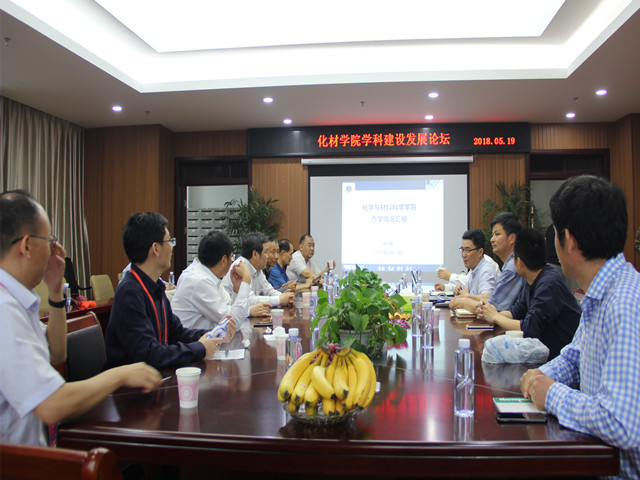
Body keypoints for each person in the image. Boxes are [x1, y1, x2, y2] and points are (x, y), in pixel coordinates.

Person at [0, 191, 162, 447]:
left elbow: (56, 354)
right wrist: (119, 375)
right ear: (27, 245)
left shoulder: (17, 300)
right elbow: (52, 405)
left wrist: (55, 292)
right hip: (21, 463)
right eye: (49, 241)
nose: (54, 249)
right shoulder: (4, 309)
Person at [520, 176, 640, 479]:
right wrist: (540, 376)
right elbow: (575, 359)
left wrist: (552, 394)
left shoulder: (624, 304)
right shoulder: (601, 292)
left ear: (569, 241)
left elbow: (621, 423)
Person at [104, 212, 232, 370]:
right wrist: (200, 348)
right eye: (170, 241)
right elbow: (149, 354)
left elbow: (176, 333)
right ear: (156, 248)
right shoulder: (130, 292)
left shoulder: (155, 287)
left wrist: (213, 334)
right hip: (131, 382)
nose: (172, 247)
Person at [477, 228, 580, 359]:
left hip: (561, 358)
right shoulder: (532, 278)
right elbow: (516, 311)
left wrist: (496, 317)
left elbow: (530, 328)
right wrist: (489, 313)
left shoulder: (549, 283)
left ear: (519, 262)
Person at [171, 230, 251, 330]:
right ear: (224, 260)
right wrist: (246, 280)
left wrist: (236, 289)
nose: (232, 261)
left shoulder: (210, 277)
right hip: (191, 339)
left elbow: (229, 309)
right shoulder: (200, 280)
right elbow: (232, 323)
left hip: (205, 337)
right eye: (232, 256)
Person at [451, 213, 526, 313]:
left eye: (497, 234)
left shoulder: (512, 268)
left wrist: (464, 301)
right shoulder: (508, 266)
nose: (492, 239)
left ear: (512, 238)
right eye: (492, 235)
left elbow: (493, 308)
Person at [222, 232, 293, 313]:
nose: (267, 256)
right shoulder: (239, 267)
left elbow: (268, 291)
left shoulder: (257, 269)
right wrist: (279, 299)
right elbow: (249, 300)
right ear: (255, 254)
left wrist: (285, 297)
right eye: (265, 252)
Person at [448, 229, 500, 309]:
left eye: (468, 250)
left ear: (480, 252)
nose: (463, 255)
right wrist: (460, 290)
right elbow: (467, 291)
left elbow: (487, 298)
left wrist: (466, 297)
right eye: (462, 250)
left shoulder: (486, 271)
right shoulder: (474, 269)